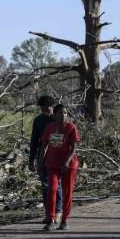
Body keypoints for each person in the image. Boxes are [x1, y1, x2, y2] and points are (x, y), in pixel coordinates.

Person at [40, 103, 81, 231]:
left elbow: (74, 147)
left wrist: (67, 162)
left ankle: (64, 220)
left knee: (67, 193)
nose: (63, 115)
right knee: (52, 189)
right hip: (53, 163)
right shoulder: (49, 127)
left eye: (65, 113)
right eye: (60, 113)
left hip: (68, 165)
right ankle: (51, 219)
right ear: (54, 115)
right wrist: (40, 162)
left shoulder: (71, 127)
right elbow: (44, 146)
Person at [29, 95, 61, 223]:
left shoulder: (58, 120)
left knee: (56, 186)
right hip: (42, 157)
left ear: (52, 107)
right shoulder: (38, 120)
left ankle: (58, 211)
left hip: (56, 157)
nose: (44, 110)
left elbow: (59, 141)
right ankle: (49, 213)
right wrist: (31, 159)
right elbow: (34, 142)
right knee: (45, 186)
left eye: (47, 108)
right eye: (42, 108)